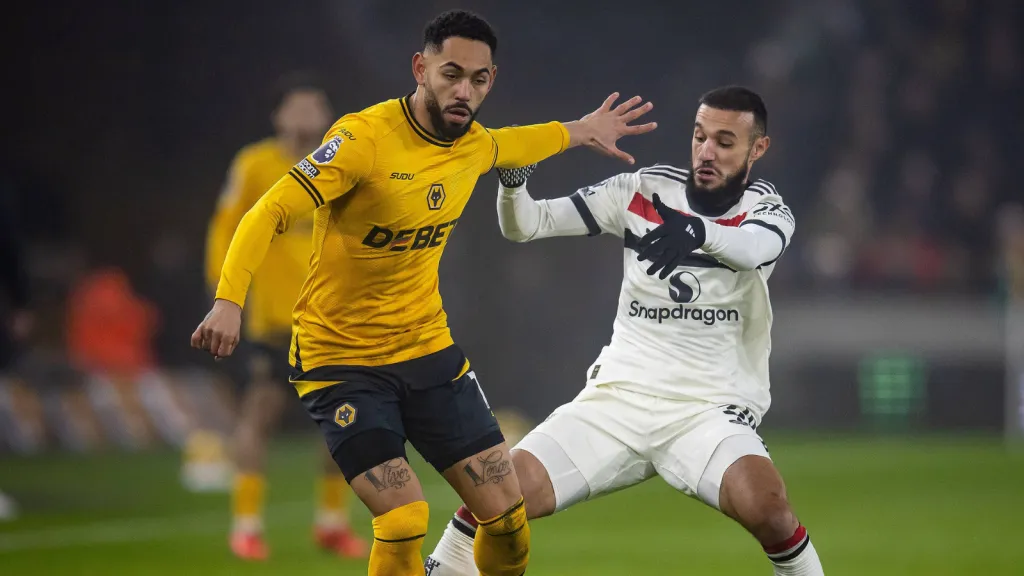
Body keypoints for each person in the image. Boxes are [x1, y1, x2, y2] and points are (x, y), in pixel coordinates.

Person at [191, 9, 656, 576]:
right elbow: (267, 212)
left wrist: (581, 131)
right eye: (451, 74)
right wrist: (228, 300)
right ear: (420, 68)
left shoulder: (473, 145)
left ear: (491, 81)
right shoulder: (362, 140)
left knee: (507, 518)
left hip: (428, 354)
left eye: (479, 80)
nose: (464, 91)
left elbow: (517, 143)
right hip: (341, 359)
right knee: (404, 518)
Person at [425, 86, 825, 576]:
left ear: (757, 149)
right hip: (617, 401)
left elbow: (751, 249)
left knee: (769, 509)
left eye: (725, 141)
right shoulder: (642, 191)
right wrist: (514, 185)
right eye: (700, 137)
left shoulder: (768, 210)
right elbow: (526, 225)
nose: (706, 151)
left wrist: (698, 232)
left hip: (709, 409)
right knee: (498, 494)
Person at [202, 73, 367, 560]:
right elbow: (224, 229)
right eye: (295, 106)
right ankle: (247, 525)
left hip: (332, 319)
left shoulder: (340, 163)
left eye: (314, 105)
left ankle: (332, 523)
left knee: (345, 420)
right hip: (274, 320)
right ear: (277, 116)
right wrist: (224, 297)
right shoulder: (254, 165)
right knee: (261, 415)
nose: (306, 114)